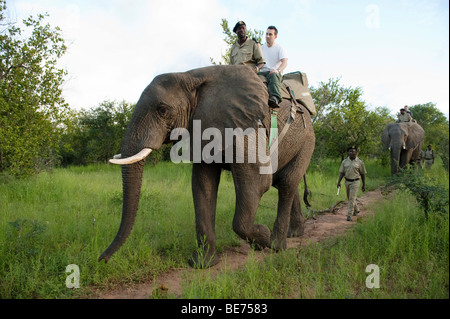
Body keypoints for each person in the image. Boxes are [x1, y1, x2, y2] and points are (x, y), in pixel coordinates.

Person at [258, 25, 288, 108]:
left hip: (273, 72)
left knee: (273, 75)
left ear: (275, 36)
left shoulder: (280, 48)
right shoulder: (261, 48)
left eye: (270, 34)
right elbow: (259, 63)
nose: (267, 36)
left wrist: (277, 70)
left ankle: (275, 98)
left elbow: (284, 62)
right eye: (266, 34)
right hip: (262, 72)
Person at [337, 146, 367, 221]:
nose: (351, 153)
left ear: (356, 152)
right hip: (347, 182)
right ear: (348, 152)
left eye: (353, 151)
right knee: (350, 198)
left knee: (351, 198)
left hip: (355, 182)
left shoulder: (360, 162)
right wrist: (338, 182)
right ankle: (356, 209)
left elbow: (363, 174)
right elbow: (342, 172)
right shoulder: (344, 161)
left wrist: (364, 184)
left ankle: (349, 215)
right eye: (350, 151)